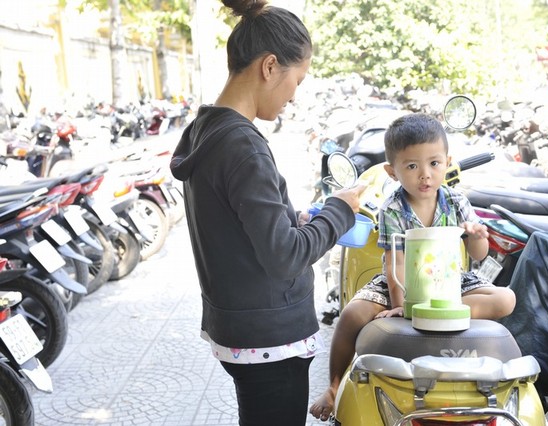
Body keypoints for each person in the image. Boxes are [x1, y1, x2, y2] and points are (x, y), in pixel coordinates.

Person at [169, 1, 365, 425]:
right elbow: (285, 256)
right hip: (270, 340)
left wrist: (291, 219)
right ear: (270, 66)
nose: (295, 94)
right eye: (298, 79)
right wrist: (338, 210)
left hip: (237, 329)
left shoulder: (207, 129)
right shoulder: (243, 145)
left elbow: (240, 226)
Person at [310, 113, 516, 421]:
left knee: (506, 299)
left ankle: (440, 311)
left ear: (447, 162)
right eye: (411, 166)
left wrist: (477, 237)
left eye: (434, 164)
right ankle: (335, 385)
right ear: (392, 172)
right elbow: (395, 261)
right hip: (402, 282)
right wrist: (401, 305)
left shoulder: (456, 201)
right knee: (351, 315)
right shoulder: (392, 207)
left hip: (451, 281)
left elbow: (479, 253)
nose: (425, 175)